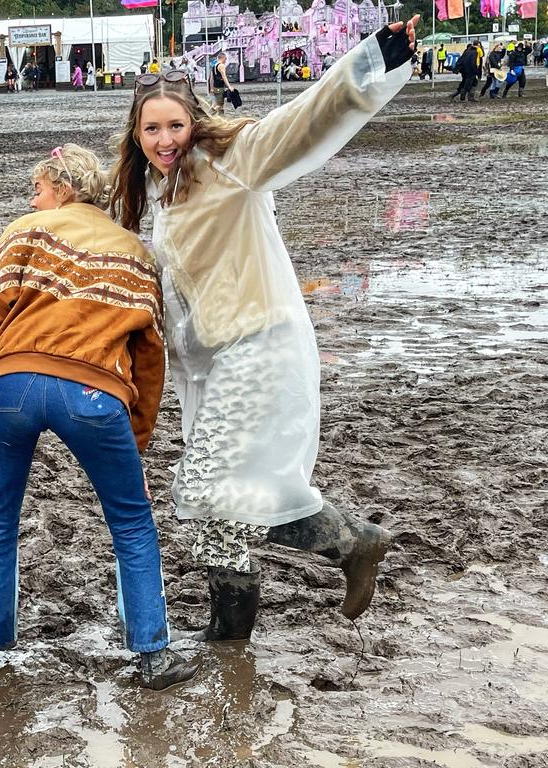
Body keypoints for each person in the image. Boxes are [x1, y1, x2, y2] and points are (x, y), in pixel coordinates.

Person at [107, 17, 419, 644]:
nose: (165, 139)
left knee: (210, 491)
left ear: (194, 121)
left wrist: (369, 61)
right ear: (137, 134)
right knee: (222, 496)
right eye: (152, 128)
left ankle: (353, 541)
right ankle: (231, 633)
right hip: (218, 361)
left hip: (260, 343)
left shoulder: (231, 164)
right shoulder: (158, 191)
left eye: (175, 124)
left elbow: (301, 122)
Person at [0, 144, 198, 691]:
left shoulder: (25, 232)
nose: (32, 199)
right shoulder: (135, 251)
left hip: (13, 384)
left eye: (38, 189)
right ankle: (153, 655)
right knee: (131, 520)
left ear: (64, 188)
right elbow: (149, 351)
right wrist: (137, 433)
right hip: (95, 394)